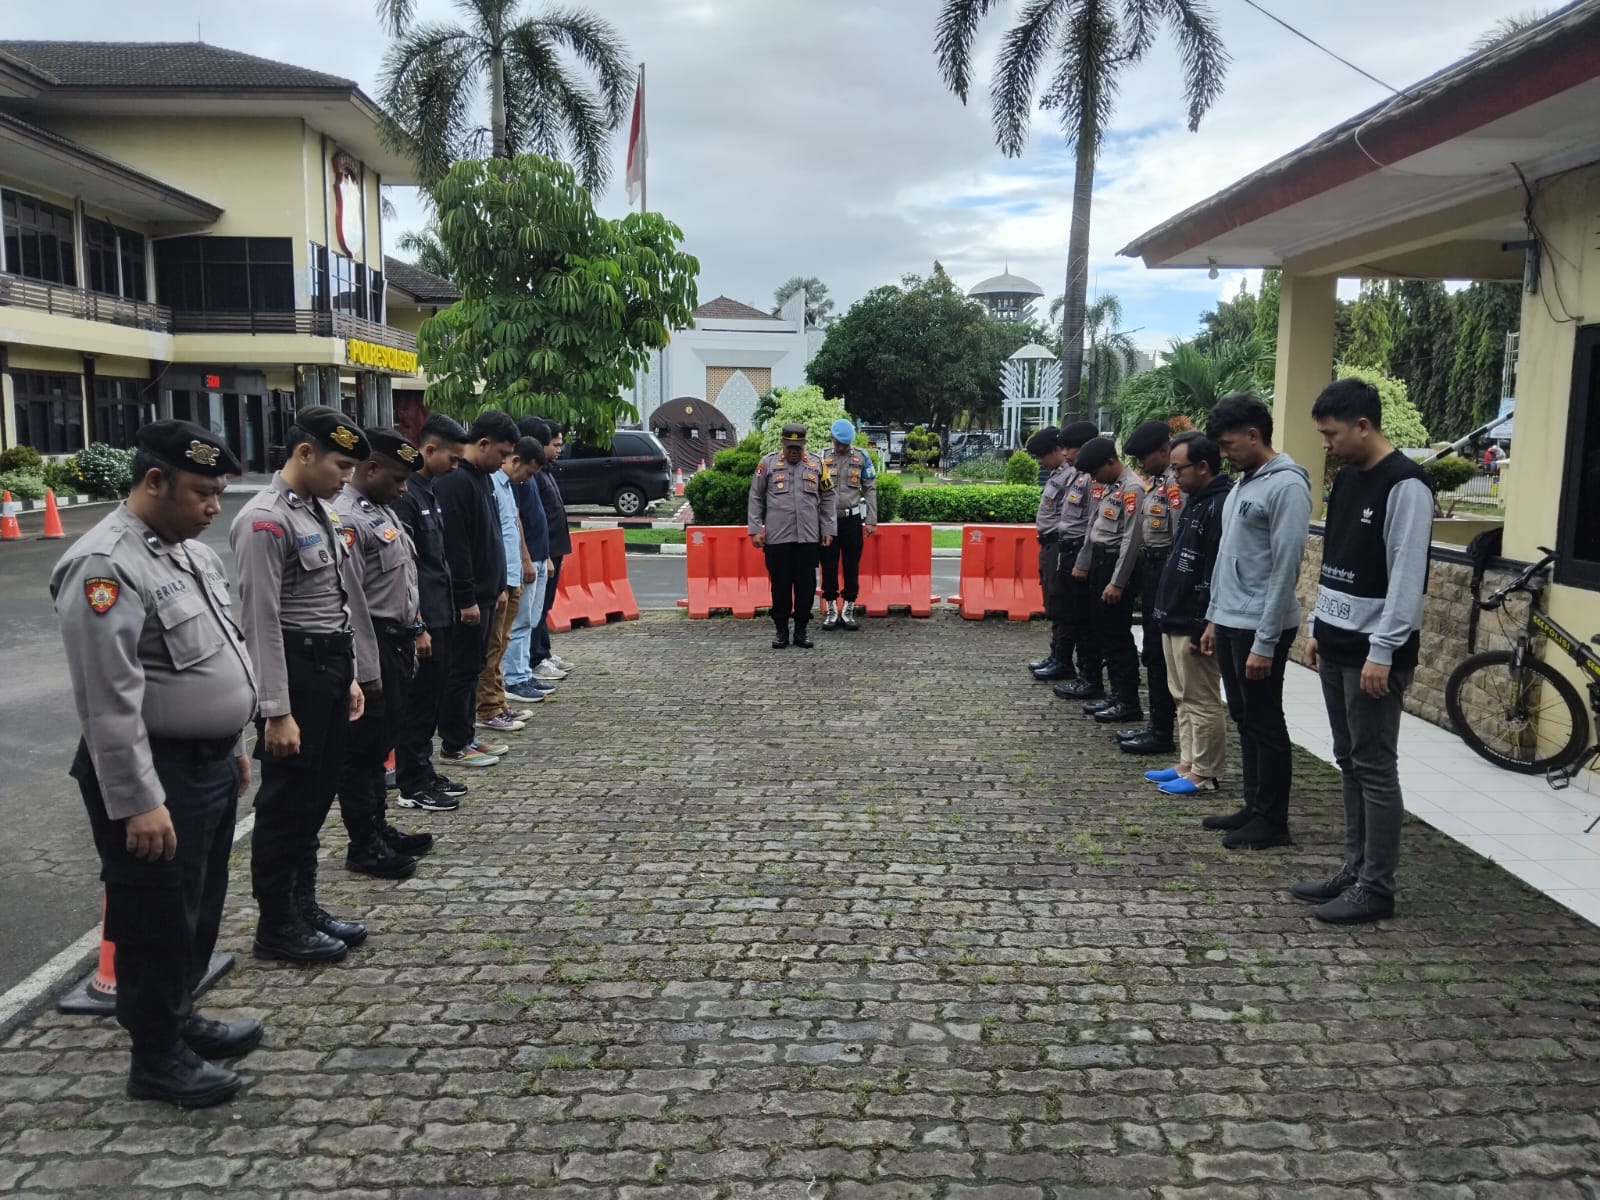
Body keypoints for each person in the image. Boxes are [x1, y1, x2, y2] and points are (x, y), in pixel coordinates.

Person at [52, 420, 258, 1108]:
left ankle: (181, 1018)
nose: (213, 507)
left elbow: (219, 656)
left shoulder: (185, 553)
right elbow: (107, 701)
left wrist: (233, 747)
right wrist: (139, 799)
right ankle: (157, 1058)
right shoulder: (105, 565)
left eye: (219, 493)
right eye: (202, 492)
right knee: (154, 919)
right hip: (155, 772)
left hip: (206, 765)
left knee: (197, 909)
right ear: (153, 482)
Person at [230, 405, 371, 964]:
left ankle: (303, 906)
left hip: (328, 667)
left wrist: (350, 675)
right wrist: (276, 710)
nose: (346, 479)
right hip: (295, 673)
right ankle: (277, 923)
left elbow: (334, 599)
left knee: (315, 799)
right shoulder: (265, 521)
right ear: (305, 453)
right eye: (340, 466)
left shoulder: (318, 511)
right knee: (286, 804)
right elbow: (260, 621)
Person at [1295, 377, 1432, 923]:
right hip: (1336, 643)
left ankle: (1376, 887)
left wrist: (1384, 650)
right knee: (1348, 759)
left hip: (1374, 654)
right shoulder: (1348, 479)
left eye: (1332, 434)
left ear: (1363, 425)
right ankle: (1354, 868)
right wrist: (1318, 627)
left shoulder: (1406, 486)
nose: (1326, 444)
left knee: (1374, 766)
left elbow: (1407, 578)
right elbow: (1335, 560)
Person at [1199, 393, 1312, 850]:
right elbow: (1228, 557)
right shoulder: (1243, 484)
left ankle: (1273, 820)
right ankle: (1253, 805)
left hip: (1261, 624)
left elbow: (1286, 567)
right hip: (1230, 619)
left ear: (1253, 435)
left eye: (1229, 445)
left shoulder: (1286, 486)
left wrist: (1265, 640)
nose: (1224, 454)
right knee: (1244, 716)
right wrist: (1213, 617)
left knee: (1266, 720)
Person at [332, 429, 435, 881]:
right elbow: (350, 600)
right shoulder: (348, 518)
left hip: (396, 640)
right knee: (362, 752)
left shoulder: (380, 510)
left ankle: (379, 828)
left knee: (380, 745)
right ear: (370, 469)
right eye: (397, 479)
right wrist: (364, 666)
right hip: (372, 640)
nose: (403, 488)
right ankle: (364, 844)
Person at [391, 414, 471, 811]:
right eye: (451, 458)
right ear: (429, 449)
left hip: (442, 612)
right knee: (418, 706)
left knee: (431, 702)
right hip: (423, 618)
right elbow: (406, 567)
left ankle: (423, 772)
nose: (455, 466)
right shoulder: (406, 496)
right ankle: (412, 783)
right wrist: (418, 623)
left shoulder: (428, 491)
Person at [1146, 431, 1232, 796]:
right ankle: (1188, 762)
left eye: (1179, 469)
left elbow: (1214, 569)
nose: (1174, 476)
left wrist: (1204, 621)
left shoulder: (1220, 505)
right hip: (1173, 613)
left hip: (1193, 617)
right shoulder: (1196, 501)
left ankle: (1205, 772)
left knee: (1201, 698)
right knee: (1181, 694)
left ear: (1203, 466)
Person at [433, 410, 520, 769]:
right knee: (460, 671)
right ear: (482, 444)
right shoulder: (456, 482)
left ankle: (467, 735)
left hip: (487, 594)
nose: (504, 461)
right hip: (467, 601)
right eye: (501, 453)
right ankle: (454, 743)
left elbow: (491, 536)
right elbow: (457, 546)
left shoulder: (483, 479)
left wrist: (498, 586)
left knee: (474, 667)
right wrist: (466, 597)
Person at [1111, 420, 1179, 755]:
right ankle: (1155, 726)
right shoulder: (1158, 483)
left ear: (1164, 451)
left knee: (1159, 653)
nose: (1141, 465)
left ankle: (1161, 731)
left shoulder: (1175, 486)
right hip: (1153, 566)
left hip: (1166, 567)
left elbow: (1179, 537)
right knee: (1152, 650)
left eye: (1145, 458)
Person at [1070, 437, 1145, 725]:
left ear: (1111, 462)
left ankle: (1128, 701)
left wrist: (1117, 582)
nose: (1093, 478)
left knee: (1116, 635)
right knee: (1103, 632)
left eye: (1095, 472)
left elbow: (1131, 539)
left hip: (1115, 565)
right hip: (1101, 561)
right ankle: (1116, 695)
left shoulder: (1132, 488)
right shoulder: (1112, 486)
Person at [476, 436, 543, 735]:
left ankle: (499, 702)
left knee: (501, 644)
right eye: (527, 472)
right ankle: (488, 708)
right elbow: (491, 536)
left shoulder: (506, 487)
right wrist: (500, 583)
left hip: (512, 575)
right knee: (492, 648)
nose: (527, 479)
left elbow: (513, 526)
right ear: (514, 460)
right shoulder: (490, 483)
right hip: (500, 579)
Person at [749, 422, 836, 648]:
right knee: (780, 587)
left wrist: (828, 528)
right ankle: (781, 631)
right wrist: (755, 529)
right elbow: (756, 496)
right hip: (778, 539)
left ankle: (801, 631)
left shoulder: (817, 464)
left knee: (806, 587)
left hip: (808, 538)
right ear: (782, 444)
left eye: (798, 447)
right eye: (790, 447)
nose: (794, 451)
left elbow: (828, 496)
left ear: (805, 444)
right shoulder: (767, 464)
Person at [1048, 421, 1107, 700]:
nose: (1065, 454)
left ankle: (1090, 679)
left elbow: (1092, 526)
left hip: (1082, 554)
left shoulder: (1092, 481)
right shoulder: (1076, 477)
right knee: (1071, 615)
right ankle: (1082, 675)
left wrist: (1082, 562)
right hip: (1069, 550)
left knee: (1084, 622)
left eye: (1069, 448)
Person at [504, 437, 557, 704]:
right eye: (529, 471)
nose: (529, 477)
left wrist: (544, 556)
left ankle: (523, 672)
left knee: (530, 621)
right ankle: (514, 678)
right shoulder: (511, 482)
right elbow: (516, 521)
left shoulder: (526, 479)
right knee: (520, 623)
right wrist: (525, 558)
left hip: (537, 555)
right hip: (525, 560)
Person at [523, 417, 575, 682]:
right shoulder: (529, 477)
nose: (558, 449)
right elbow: (530, 518)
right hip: (543, 552)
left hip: (552, 550)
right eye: (554, 444)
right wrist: (544, 556)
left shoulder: (545, 472)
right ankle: (535, 658)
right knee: (536, 609)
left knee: (544, 607)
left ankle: (543, 652)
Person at [819, 418, 877, 631]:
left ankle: (849, 607)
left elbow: (870, 488)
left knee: (852, 566)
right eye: (838, 443)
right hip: (828, 521)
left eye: (845, 444)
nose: (842, 448)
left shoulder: (861, 457)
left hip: (852, 520)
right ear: (832, 438)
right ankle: (831, 608)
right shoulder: (821, 457)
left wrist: (871, 519)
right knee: (828, 566)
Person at [1025, 427, 1073, 681]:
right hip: (1048, 545)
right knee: (1052, 601)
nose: (1041, 462)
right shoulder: (1058, 475)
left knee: (1060, 602)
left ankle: (1062, 660)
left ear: (1056, 451)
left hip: (1058, 545)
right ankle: (1056, 655)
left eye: (1042, 456)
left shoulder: (1071, 476)